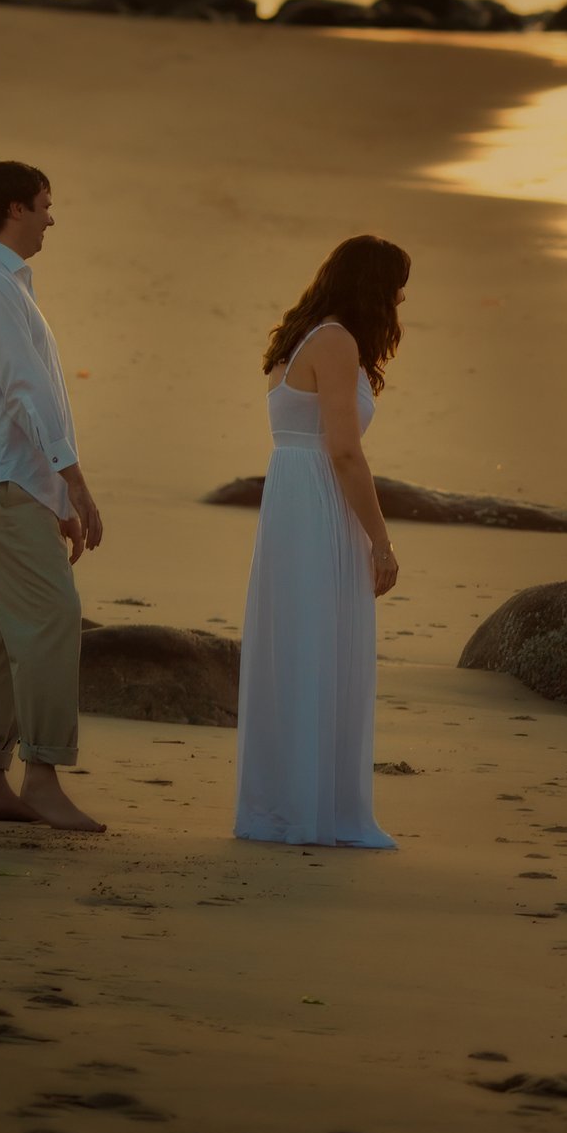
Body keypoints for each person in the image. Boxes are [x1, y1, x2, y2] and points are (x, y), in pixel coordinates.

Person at [0, 160, 106, 832]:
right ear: (14, 209)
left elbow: (24, 395)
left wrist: (55, 497)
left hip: (0, 479)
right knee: (51, 617)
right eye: (43, 204)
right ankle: (40, 775)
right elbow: (26, 391)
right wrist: (73, 480)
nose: (50, 217)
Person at [233, 235, 409, 849]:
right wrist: (380, 539)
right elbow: (342, 449)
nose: (399, 302)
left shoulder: (308, 333)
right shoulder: (335, 341)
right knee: (315, 645)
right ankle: (310, 811)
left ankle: (299, 804)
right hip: (314, 497)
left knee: (306, 647)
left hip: (296, 494)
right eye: (395, 289)